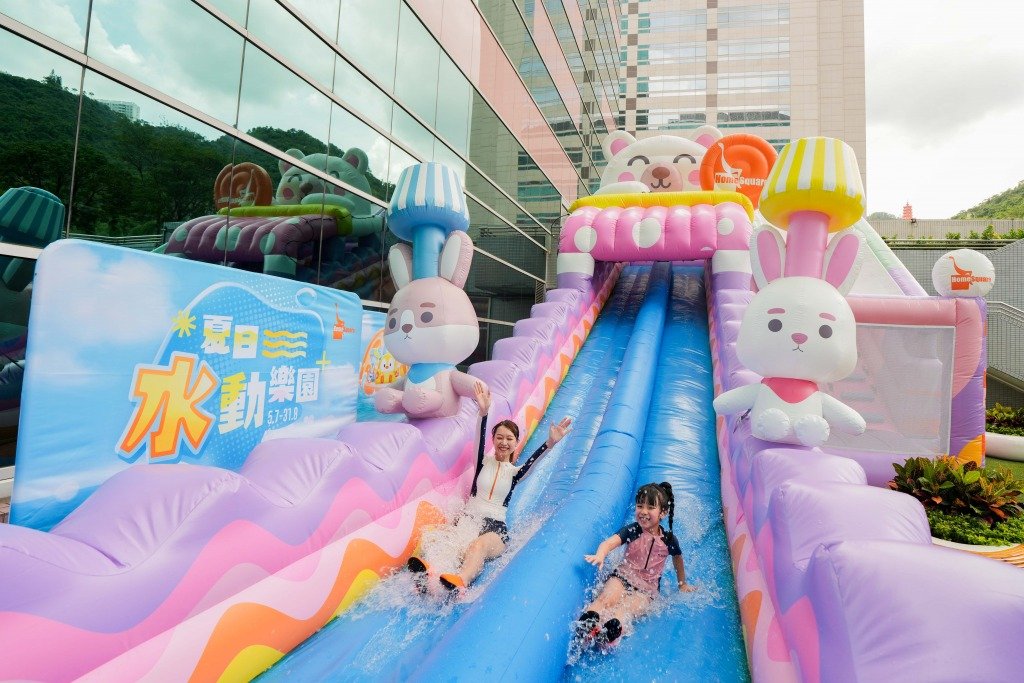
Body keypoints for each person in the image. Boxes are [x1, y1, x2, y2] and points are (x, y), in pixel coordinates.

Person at [407, 381, 572, 594]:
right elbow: (479, 437)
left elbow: (535, 460)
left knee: (477, 546)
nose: (504, 442)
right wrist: (483, 413)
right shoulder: (482, 462)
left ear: (515, 443)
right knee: (445, 539)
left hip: (495, 529)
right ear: (493, 440)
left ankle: (461, 582)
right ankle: (429, 575)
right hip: (470, 519)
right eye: (499, 437)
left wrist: (550, 443)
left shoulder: (515, 473)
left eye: (509, 438)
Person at [577, 482, 696, 646]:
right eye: (640, 506)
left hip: (647, 590)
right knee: (607, 598)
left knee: (626, 609)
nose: (643, 511)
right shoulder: (633, 530)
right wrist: (600, 555)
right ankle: (587, 623)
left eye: (650, 507)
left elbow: (677, 558)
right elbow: (609, 543)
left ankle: (610, 632)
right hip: (623, 577)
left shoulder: (669, 540)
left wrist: (682, 584)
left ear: (663, 512)